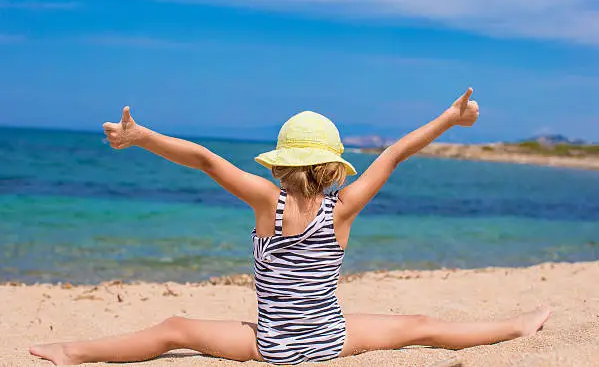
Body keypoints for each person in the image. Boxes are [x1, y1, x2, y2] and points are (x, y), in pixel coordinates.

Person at [30, 88, 550, 365]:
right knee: (419, 326)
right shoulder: (343, 207)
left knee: (173, 332)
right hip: (329, 342)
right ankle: (518, 326)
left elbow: (206, 160)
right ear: (332, 166)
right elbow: (395, 153)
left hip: (273, 347)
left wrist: (141, 136)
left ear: (279, 165)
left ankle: (71, 352)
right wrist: (450, 118)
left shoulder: (267, 202)